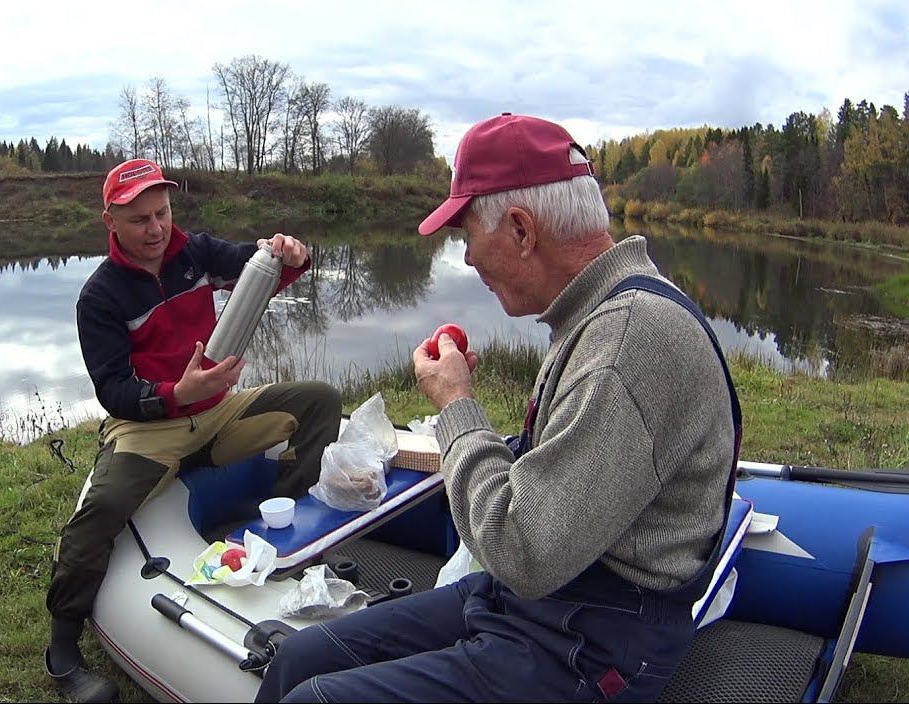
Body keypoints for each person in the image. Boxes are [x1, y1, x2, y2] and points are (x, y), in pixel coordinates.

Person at [256, 114, 739, 702]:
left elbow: (521, 548)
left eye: (466, 236)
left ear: (520, 230)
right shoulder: (601, 312)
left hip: (596, 643)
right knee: (301, 659)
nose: (467, 260)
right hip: (538, 601)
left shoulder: (626, 342)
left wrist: (457, 404)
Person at [45, 158, 342, 702]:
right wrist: (174, 395)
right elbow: (113, 390)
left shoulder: (196, 252)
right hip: (148, 425)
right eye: (139, 220)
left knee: (319, 403)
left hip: (218, 411)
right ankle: (63, 647)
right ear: (110, 219)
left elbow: (264, 270)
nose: (156, 229)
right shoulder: (100, 296)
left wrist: (294, 256)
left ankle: (278, 531)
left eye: (161, 212)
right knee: (101, 511)